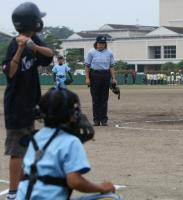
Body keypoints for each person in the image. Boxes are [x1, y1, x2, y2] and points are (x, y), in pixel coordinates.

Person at [16, 87, 121, 200]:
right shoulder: (70, 141)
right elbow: (74, 181)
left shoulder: (35, 137)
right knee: (111, 197)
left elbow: (23, 173)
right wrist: (101, 188)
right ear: (71, 115)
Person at [1, 2, 53, 200]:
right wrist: (20, 49)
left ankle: (25, 187)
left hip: (31, 103)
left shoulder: (34, 39)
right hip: (16, 106)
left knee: (29, 148)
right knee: (17, 151)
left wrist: (34, 45)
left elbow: (49, 55)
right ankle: (13, 194)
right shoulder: (14, 44)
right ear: (33, 22)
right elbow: (11, 73)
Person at [85, 35, 117, 126]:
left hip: (105, 75)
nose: (101, 45)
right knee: (95, 98)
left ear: (105, 44)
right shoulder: (91, 52)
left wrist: (114, 78)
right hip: (94, 75)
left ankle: (103, 120)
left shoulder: (109, 53)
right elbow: (87, 66)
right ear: (96, 43)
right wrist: (87, 78)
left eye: (103, 43)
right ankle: (96, 119)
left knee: (104, 98)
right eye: (100, 43)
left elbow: (111, 66)